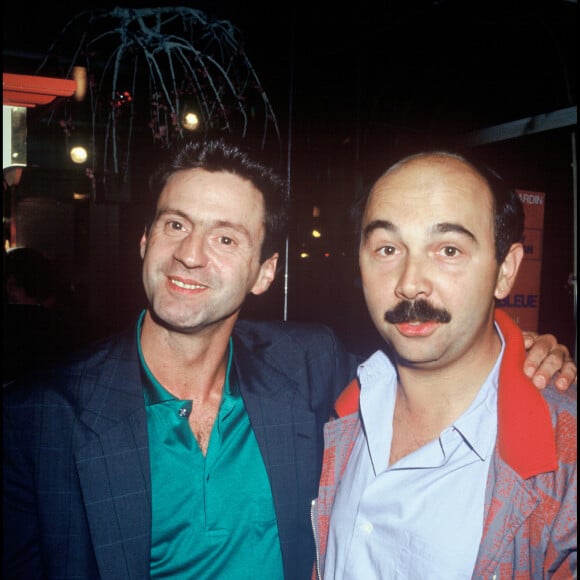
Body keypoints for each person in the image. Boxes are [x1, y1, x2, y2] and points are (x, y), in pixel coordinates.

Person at [2, 140, 575, 580]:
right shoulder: (36, 420)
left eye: (226, 238)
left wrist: (523, 348)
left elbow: (447, 348)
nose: (191, 254)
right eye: (175, 224)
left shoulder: (307, 364)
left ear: (266, 272)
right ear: (145, 241)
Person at [312, 151, 577, 579]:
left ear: (505, 271)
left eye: (448, 250)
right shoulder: (338, 409)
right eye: (387, 248)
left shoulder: (565, 458)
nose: (409, 282)